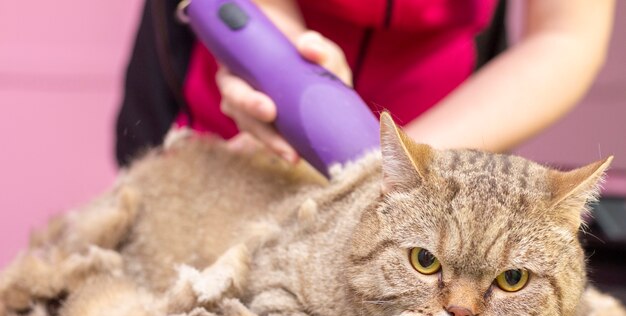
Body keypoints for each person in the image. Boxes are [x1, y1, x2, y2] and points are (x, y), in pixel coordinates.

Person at [115, 0, 615, 167]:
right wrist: (279, 53)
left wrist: (402, 164)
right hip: (230, 134)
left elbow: (566, 36)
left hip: (447, 126)